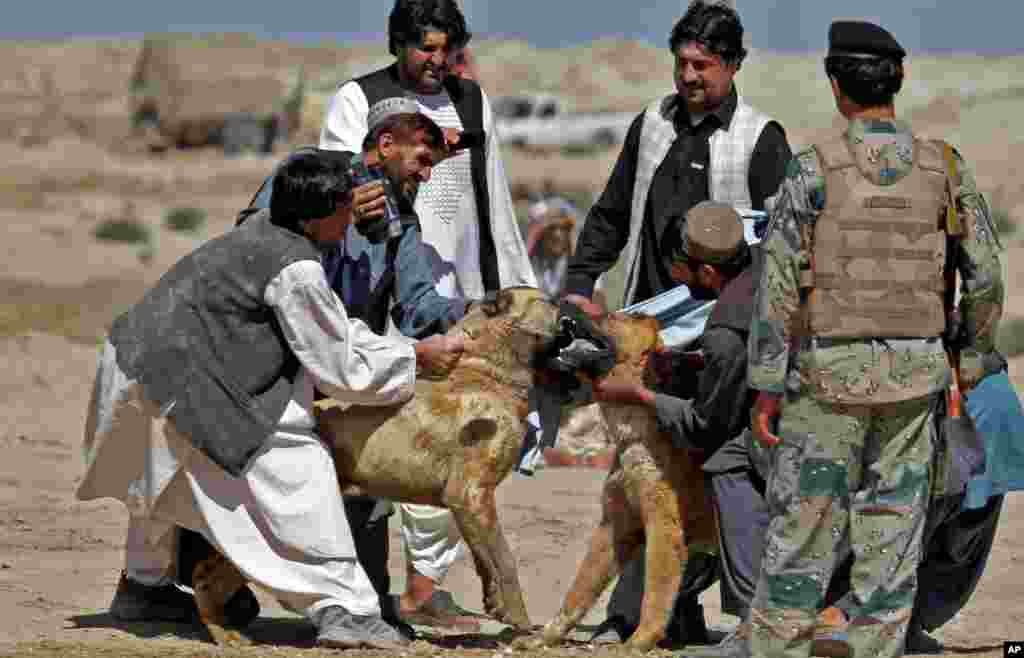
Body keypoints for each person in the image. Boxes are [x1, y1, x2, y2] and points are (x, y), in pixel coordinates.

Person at [75, 145, 465, 650]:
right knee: (294, 465)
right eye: (346, 208)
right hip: (175, 378)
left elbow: (330, 329)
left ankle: (145, 588)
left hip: (141, 364)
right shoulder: (294, 265)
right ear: (318, 216)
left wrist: (403, 349)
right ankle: (345, 607)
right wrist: (416, 360)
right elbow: (338, 364)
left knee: (163, 477)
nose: (352, 219)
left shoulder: (262, 237)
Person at [745, 20, 1004, 658]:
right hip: (915, 381)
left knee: (800, 542)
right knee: (890, 547)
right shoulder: (944, 166)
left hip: (827, 380)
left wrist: (766, 386)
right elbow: (988, 276)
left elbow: (775, 285)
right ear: (900, 80)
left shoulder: (812, 171)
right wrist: (967, 361)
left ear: (836, 86)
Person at [564, 0, 791, 640]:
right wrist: (582, 283)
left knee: (710, 470)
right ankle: (641, 615)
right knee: (641, 476)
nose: (690, 77)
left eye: (705, 65)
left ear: (734, 65)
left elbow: (784, 237)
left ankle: (680, 613)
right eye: (682, 63)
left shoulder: (759, 136)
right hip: (648, 331)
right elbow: (611, 211)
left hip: (722, 340)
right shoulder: (652, 123)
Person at [318, 0, 536, 629]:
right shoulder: (358, 99)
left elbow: (490, 198)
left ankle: (425, 588)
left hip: (449, 302)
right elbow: (345, 189)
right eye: (425, 49)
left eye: (447, 49)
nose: (437, 62)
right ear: (398, 45)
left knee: (452, 448)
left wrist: (503, 289)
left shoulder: (471, 103)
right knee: (373, 445)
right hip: (375, 299)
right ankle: (365, 590)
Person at [239, 97, 473, 637]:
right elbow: (253, 241)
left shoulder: (402, 225)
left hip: (340, 371)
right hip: (270, 361)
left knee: (364, 479)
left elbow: (419, 310)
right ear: (385, 145)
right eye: (420, 159)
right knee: (244, 475)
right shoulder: (310, 175)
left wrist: (481, 313)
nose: (425, 173)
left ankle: (364, 602)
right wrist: (337, 214)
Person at [586, 202, 768, 652]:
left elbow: (707, 426)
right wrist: (694, 366)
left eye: (681, 272)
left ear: (706, 270)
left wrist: (641, 397)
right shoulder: (765, 267)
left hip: (785, 435)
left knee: (726, 463)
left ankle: (754, 623)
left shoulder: (724, 329)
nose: (677, 283)